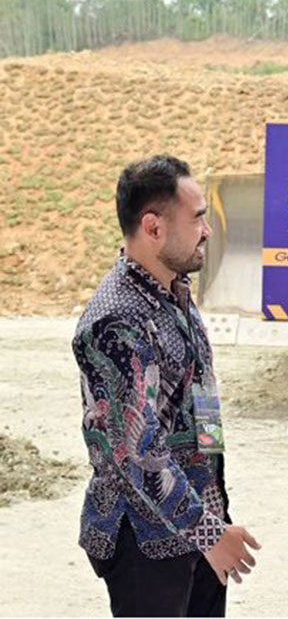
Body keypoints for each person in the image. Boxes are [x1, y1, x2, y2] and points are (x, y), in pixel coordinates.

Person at [73, 155, 260, 617]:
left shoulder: (175, 291)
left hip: (197, 523)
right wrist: (210, 534)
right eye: (197, 217)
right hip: (146, 542)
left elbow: (202, 399)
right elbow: (140, 451)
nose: (208, 230)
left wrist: (214, 507)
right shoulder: (115, 320)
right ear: (153, 227)